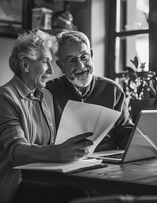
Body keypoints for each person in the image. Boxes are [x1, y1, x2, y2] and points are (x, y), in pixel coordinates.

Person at [0, 29, 93, 203]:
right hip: (15, 184)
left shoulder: (46, 96)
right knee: (76, 195)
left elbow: (50, 146)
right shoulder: (5, 97)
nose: (51, 70)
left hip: (45, 177)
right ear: (25, 64)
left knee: (89, 190)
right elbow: (17, 151)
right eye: (45, 62)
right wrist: (58, 152)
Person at [46, 30, 134, 152]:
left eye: (84, 57)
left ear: (91, 54)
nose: (81, 66)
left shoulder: (113, 90)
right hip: (65, 162)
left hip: (107, 163)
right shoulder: (49, 92)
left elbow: (125, 133)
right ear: (61, 66)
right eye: (71, 61)